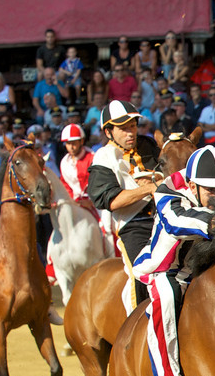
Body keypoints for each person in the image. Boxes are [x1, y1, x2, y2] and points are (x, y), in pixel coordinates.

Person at [133, 146, 215, 376]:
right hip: (165, 271)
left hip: (202, 269)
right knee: (166, 298)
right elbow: (175, 221)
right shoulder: (167, 193)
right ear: (192, 185)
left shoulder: (214, 188)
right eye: (211, 191)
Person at [86, 100, 161, 308]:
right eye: (124, 128)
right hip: (134, 225)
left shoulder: (149, 145)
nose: (131, 132)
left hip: (165, 217)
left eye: (133, 126)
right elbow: (112, 201)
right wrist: (148, 188)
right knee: (140, 275)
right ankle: (134, 327)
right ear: (108, 132)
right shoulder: (103, 157)